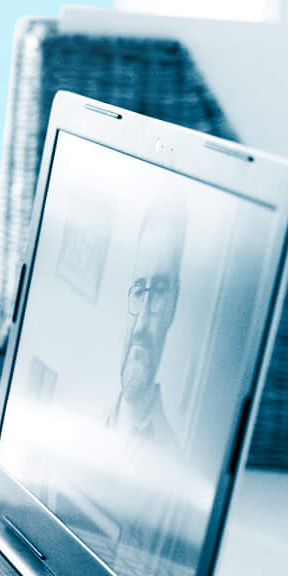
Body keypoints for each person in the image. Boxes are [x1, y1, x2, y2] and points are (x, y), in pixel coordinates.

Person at [104, 189, 188, 454]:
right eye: (139, 290)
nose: (140, 324)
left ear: (173, 303)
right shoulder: (81, 433)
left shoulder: (176, 467)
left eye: (160, 290)